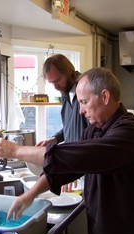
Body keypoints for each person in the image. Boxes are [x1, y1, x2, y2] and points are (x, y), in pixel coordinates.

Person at [0, 67, 134, 234]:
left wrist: (15, 150)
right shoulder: (93, 130)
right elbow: (67, 167)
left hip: (133, 233)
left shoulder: (132, 132)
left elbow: (75, 156)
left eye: (84, 102)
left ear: (105, 96)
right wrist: (29, 195)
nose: (80, 110)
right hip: (102, 228)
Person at [36, 54, 89, 191]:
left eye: (58, 80)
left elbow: (94, 137)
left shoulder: (86, 92)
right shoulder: (65, 93)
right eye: (51, 82)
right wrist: (56, 139)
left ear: (70, 72)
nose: (55, 86)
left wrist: (73, 167)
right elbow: (70, 127)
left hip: (86, 169)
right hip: (74, 168)